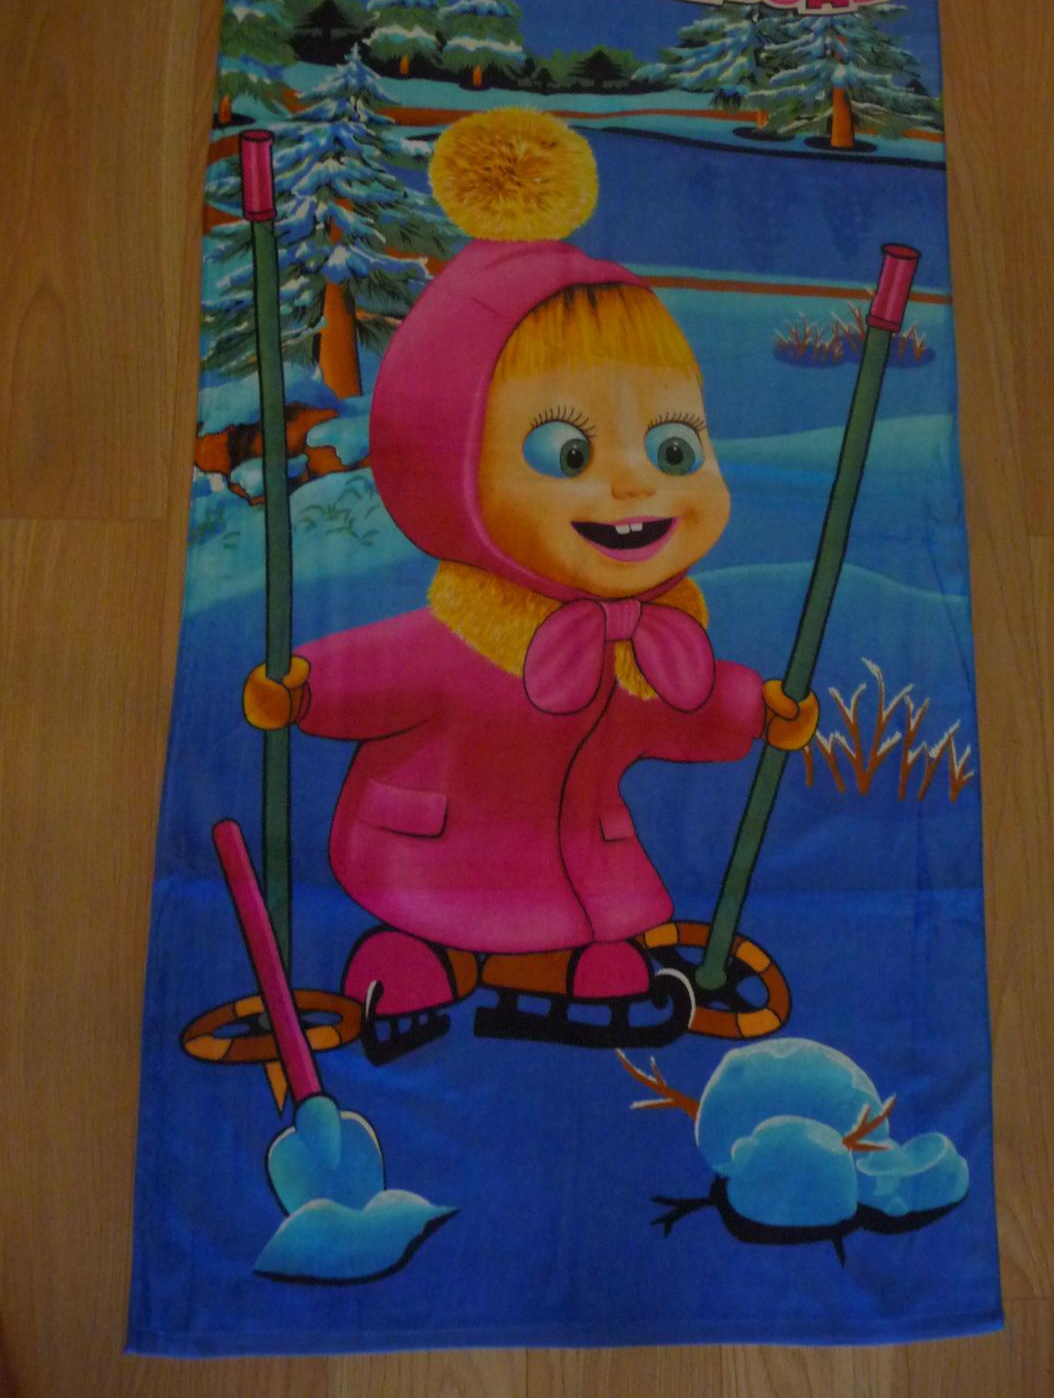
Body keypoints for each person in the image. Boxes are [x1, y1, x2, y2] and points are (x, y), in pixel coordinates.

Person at [244, 108, 817, 1057]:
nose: (635, 486)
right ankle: (423, 954)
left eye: (674, 449)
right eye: (568, 454)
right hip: (434, 854)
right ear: (449, 466)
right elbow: (380, 672)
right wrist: (303, 688)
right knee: (437, 924)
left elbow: (676, 714)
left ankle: (551, 967)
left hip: (577, 864)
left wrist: (754, 710)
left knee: (592, 937)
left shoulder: (649, 644)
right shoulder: (457, 638)